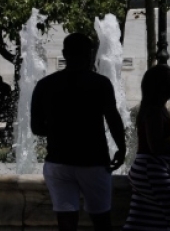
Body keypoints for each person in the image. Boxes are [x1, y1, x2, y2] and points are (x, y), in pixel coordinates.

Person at [31, 33, 126, 231]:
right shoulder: (100, 84)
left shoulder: (45, 85)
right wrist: (121, 148)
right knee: (101, 220)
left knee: (66, 220)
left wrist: (60, 129)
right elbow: (113, 118)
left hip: (58, 161)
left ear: (64, 53)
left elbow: (36, 128)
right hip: (93, 161)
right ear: (90, 54)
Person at [123, 64, 170, 230]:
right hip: (152, 170)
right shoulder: (154, 111)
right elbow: (155, 146)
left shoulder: (158, 108)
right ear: (158, 85)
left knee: (142, 219)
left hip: (149, 169)